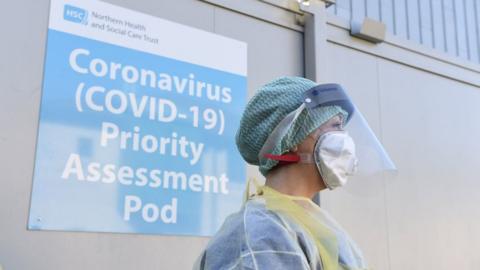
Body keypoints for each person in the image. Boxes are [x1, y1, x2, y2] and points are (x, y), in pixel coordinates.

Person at [194, 77, 370, 270]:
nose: (345, 139)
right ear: (292, 138)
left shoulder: (303, 224)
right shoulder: (261, 232)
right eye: (336, 126)